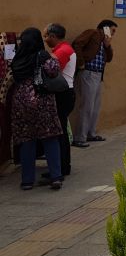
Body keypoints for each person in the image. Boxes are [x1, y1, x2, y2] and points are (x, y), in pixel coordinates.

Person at [11, 28, 64, 190]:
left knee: (27, 141)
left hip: (20, 103)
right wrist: (51, 58)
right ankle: (55, 176)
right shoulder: (42, 56)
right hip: (42, 102)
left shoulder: (17, 59)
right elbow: (54, 71)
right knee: (50, 138)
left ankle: (27, 181)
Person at [71, 19, 117, 148]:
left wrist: (108, 45)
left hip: (97, 75)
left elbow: (109, 59)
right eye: (112, 30)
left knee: (95, 106)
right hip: (88, 73)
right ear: (105, 28)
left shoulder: (105, 42)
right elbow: (77, 44)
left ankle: (90, 133)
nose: (113, 34)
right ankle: (79, 137)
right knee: (87, 106)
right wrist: (80, 63)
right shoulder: (92, 33)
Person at [44, 23, 76, 177]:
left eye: (46, 36)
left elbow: (52, 72)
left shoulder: (63, 51)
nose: (45, 40)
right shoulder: (62, 49)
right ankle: (62, 166)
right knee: (60, 131)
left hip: (63, 94)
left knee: (60, 132)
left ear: (53, 36)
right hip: (65, 93)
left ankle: (62, 168)